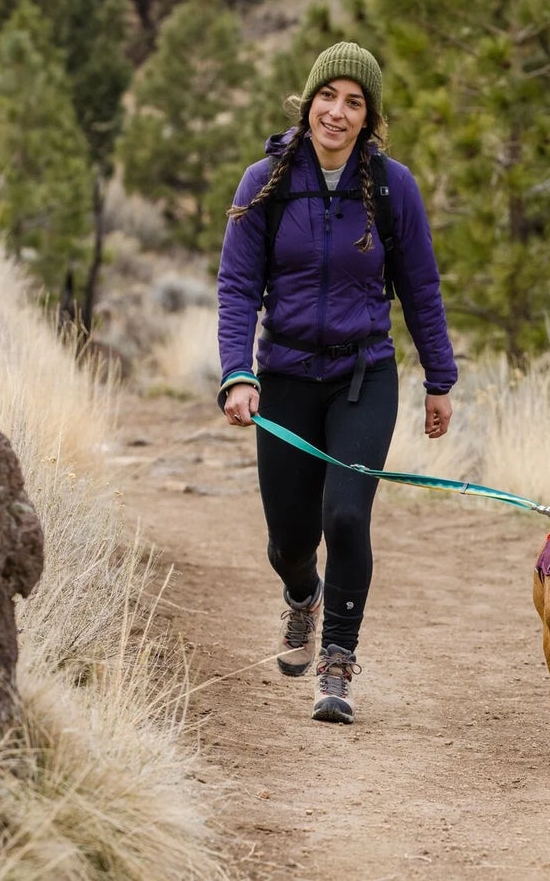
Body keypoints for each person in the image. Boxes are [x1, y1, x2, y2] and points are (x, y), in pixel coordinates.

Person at [216, 41, 457, 724]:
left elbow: (420, 287)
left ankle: (338, 661)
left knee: (346, 515)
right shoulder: (266, 180)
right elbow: (237, 286)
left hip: (362, 376)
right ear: (309, 100)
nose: (338, 112)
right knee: (289, 541)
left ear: (367, 117)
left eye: (354, 102)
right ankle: (301, 596)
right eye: (329, 97)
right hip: (286, 377)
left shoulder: (390, 187)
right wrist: (237, 373)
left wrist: (439, 379)